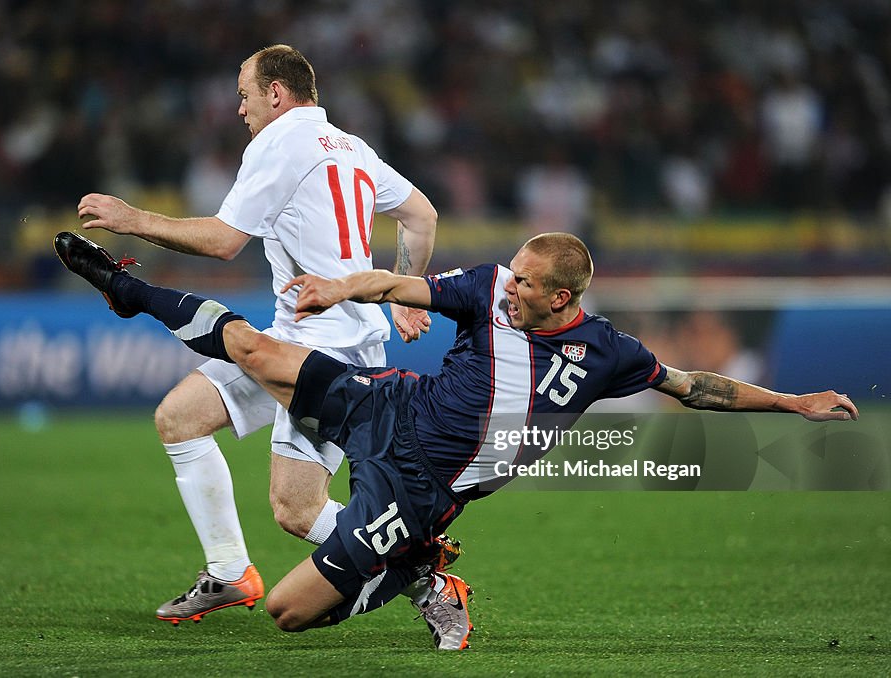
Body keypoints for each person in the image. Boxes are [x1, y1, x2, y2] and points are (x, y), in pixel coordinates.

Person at [53, 230, 858, 650]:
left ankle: (417, 565)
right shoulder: (485, 289)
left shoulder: (611, 353)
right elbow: (400, 284)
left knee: (290, 616)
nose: (507, 286)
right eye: (508, 274)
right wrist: (342, 285)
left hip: (418, 494)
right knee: (258, 351)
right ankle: (124, 287)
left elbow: (696, 389)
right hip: (387, 409)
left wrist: (793, 403)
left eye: (526, 283)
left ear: (563, 295)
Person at [71, 45, 445, 623]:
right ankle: (229, 573)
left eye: (244, 94)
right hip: (293, 335)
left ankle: (425, 578)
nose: (239, 107)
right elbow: (421, 215)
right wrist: (401, 291)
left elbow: (224, 241)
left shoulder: (279, 142)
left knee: (297, 509)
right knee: (180, 419)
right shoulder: (352, 145)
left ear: (276, 93)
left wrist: (133, 220)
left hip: (328, 350)